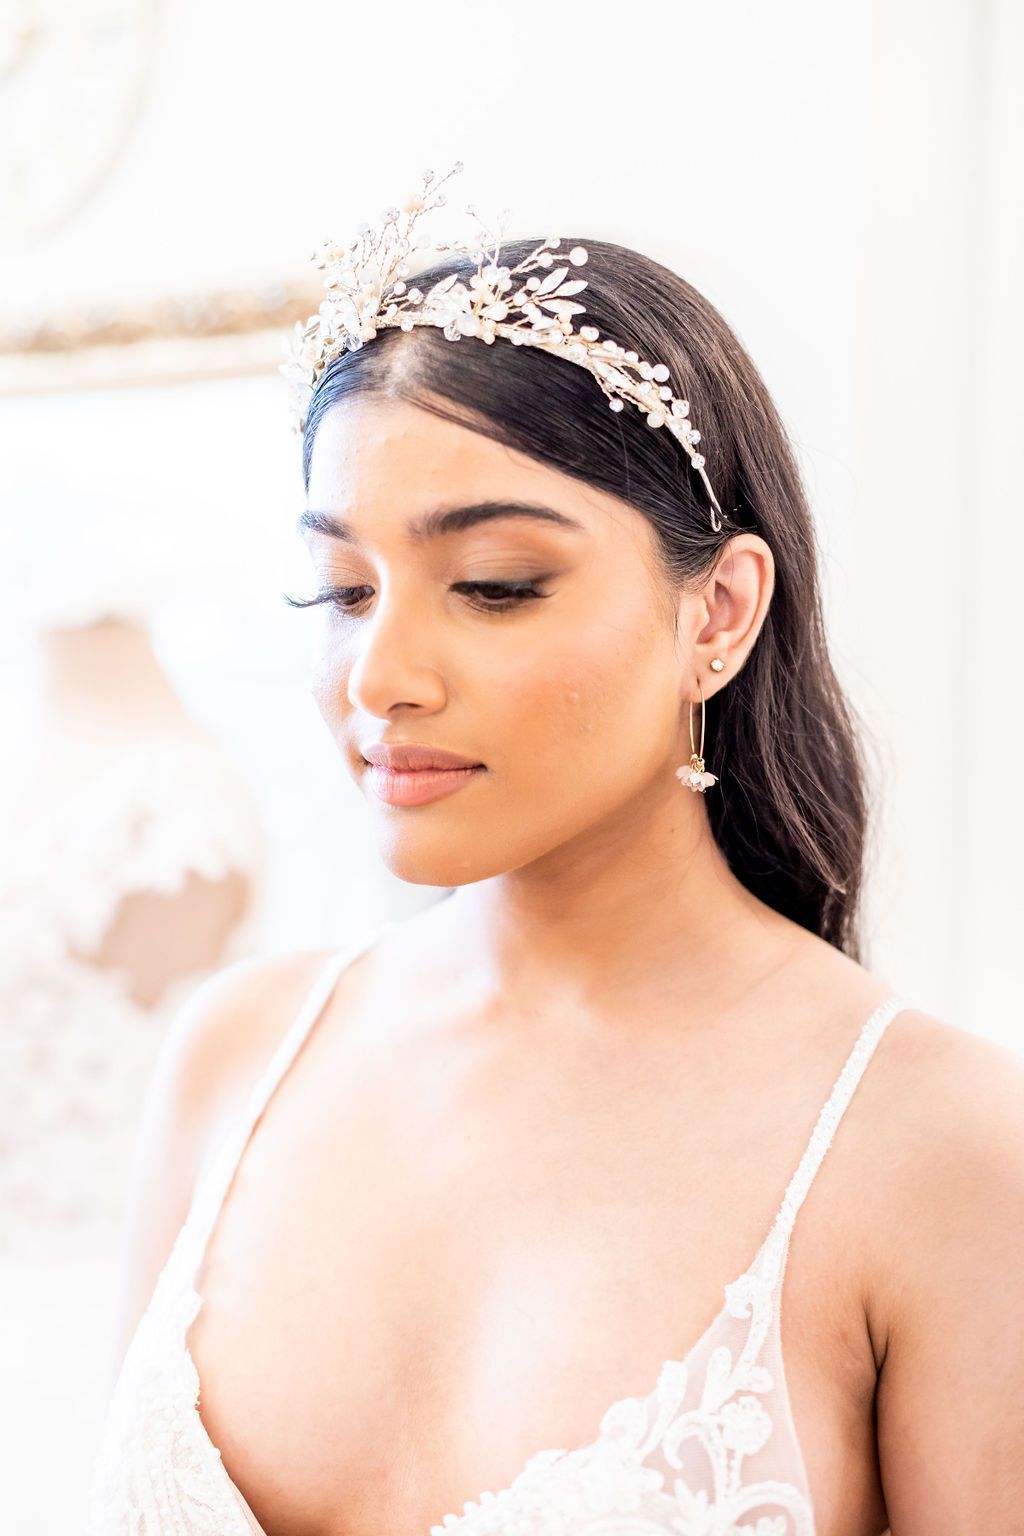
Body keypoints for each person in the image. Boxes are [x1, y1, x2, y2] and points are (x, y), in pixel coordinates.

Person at [86, 168, 1024, 1536]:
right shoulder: (234, 1060)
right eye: (341, 591)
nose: (380, 674)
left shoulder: (938, 1148)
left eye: (495, 587)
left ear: (719, 611)